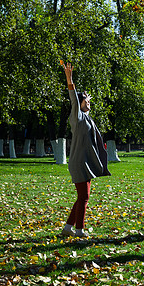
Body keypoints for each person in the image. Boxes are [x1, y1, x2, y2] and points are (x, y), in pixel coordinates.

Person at [61, 62, 111, 238]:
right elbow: (73, 96)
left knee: (82, 197)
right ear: (80, 102)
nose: (89, 103)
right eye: (87, 101)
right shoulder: (77, 115)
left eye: (89, 101)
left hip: (86, 163)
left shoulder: (88, 119)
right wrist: (69, 78)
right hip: (78, 163)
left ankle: (68, 228)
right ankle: (79, 231)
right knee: (84, 197)